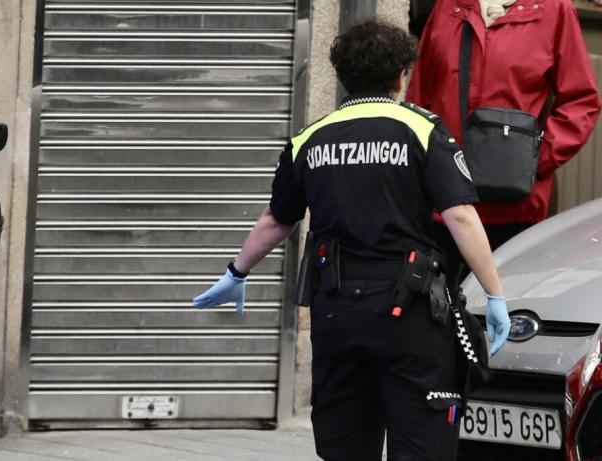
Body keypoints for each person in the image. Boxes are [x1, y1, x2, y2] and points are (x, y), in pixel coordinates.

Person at [192, 21, 510, 461]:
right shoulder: (422, 131)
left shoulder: (309, 139)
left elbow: (275, 221)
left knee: (345, 448)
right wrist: (494, 294)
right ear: (401, 74)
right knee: (422, 446)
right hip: (410, 315)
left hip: (336, 312)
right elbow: (459, 215)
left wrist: (236, 271)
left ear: (341, 75)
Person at [406, 0, 602, 290]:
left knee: (503, 319)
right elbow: (418, 101)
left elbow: (581, 102)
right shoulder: (448, 7)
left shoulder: (554, 10)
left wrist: (534, 158)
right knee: (438, 320)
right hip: (445, 206)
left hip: (514, 212)